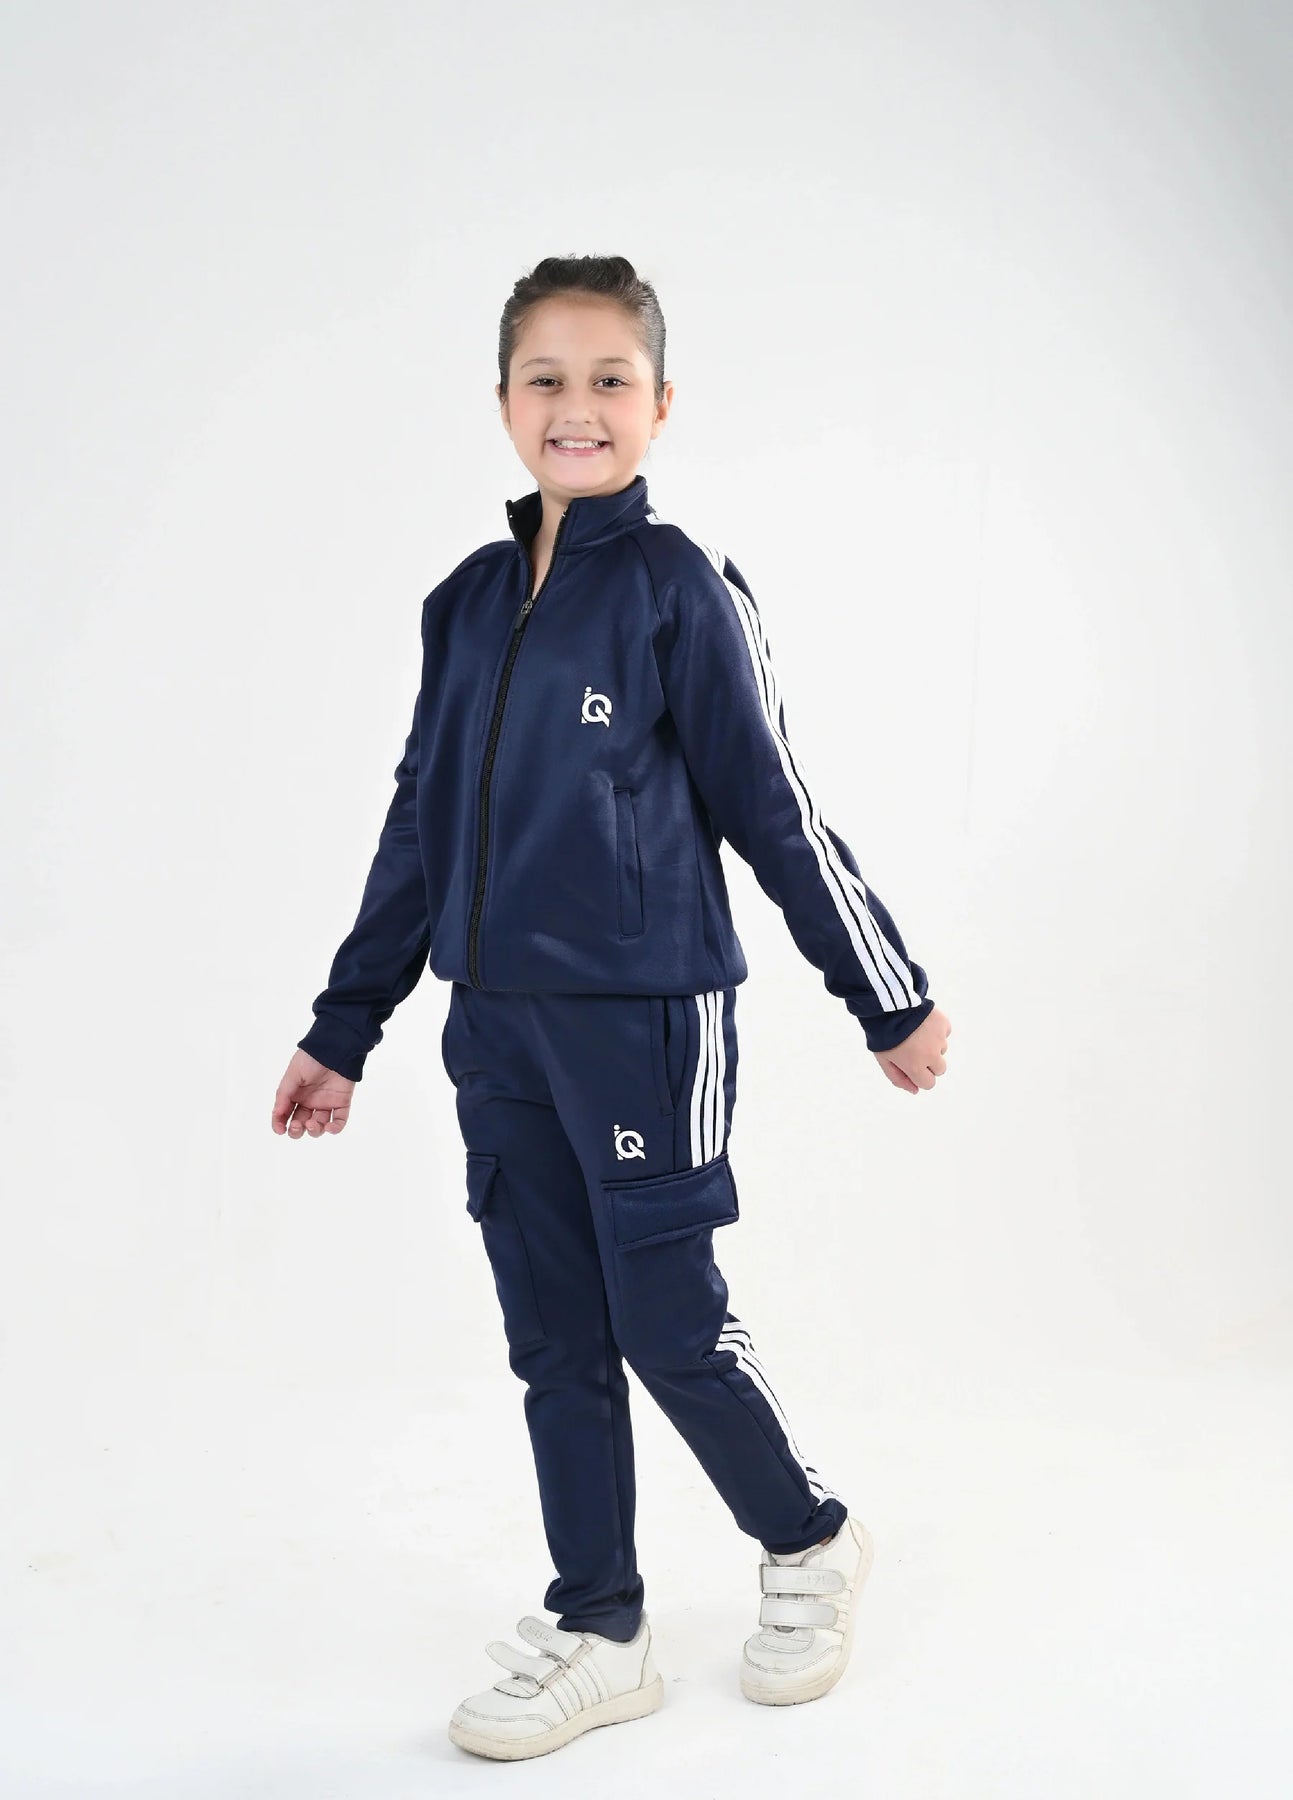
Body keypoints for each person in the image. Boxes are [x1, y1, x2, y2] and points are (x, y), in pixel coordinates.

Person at [271, 254, 952, 1761]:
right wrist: (343, 1027)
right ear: (503, 401)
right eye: (546, 379)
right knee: (552, 1337)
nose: (575, 407)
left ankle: (809, 1539)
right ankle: (602, 1628)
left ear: (659, 403)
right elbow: (417, 828)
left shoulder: (675, 587)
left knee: (666, 1321)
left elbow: (773, 806)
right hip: (495, 1026)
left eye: (608, 380)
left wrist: (883, 991)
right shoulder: (464, 604)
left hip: (644, 1018)